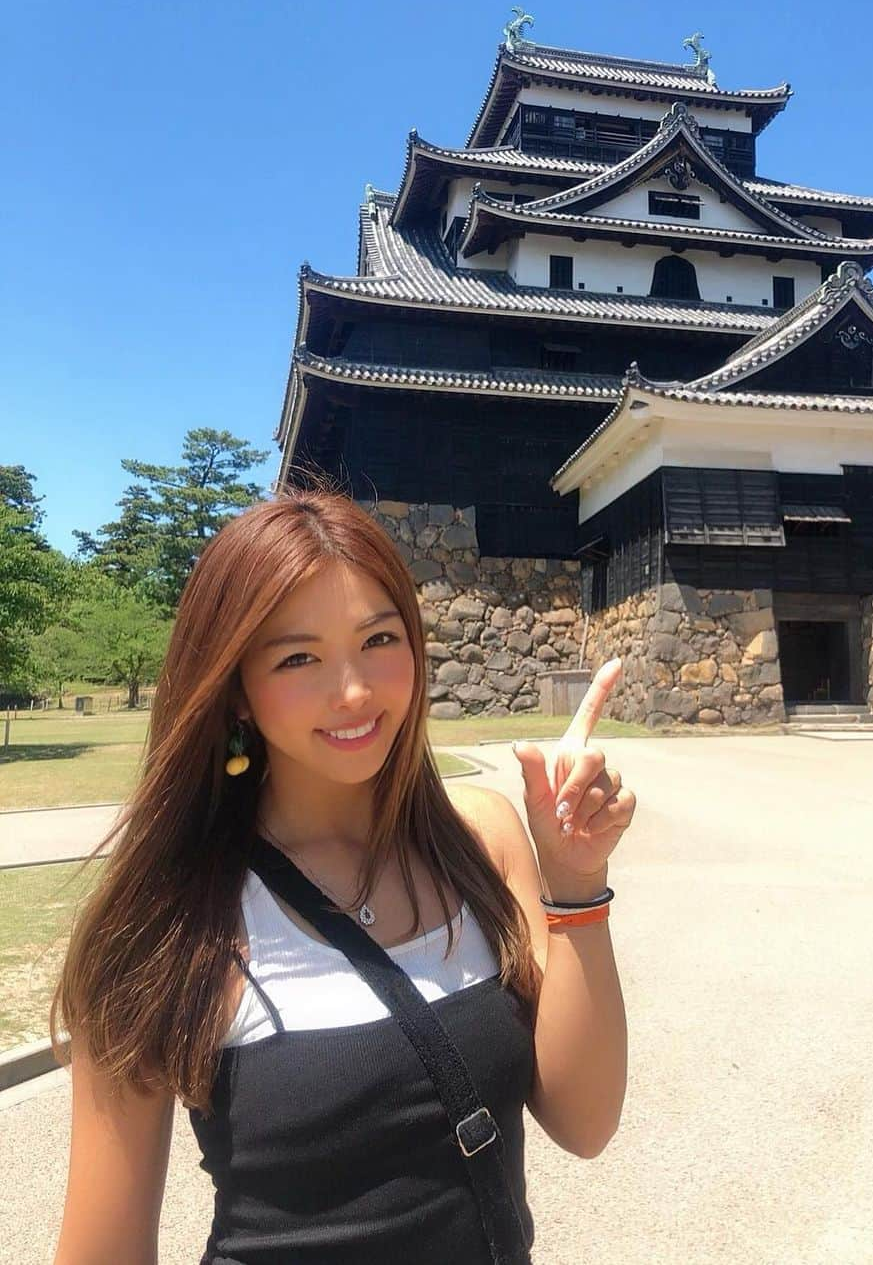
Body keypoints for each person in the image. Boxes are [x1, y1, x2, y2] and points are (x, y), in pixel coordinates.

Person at [49, 481, 634, 1264]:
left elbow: (584, 1122)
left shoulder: (483, 841)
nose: (353, 691)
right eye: (298, 657)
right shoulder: (171, 923)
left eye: (380, 640)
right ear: (236, 694)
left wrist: (576, 884)